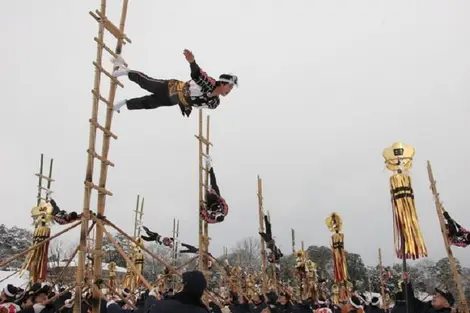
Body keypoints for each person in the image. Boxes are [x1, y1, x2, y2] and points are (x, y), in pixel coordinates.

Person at [112, 49, 238, 117]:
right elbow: (198, 75)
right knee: (146, 82)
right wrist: (192, 62)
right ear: (222, 83)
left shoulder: (215, 102)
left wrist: (186, 105)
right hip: (170, 88)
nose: (229, 91)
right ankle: (126, 71)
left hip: (173, 100)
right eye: (229, 87)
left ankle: (123, 103)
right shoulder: (209, 83)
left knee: (148, 103)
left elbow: (197, 104)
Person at [200, 156, 229, 224]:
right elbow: (223, 201)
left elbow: (206, 218)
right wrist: (216, 194)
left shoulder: (212, 219)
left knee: (206, 196)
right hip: (217, 199)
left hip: (210, 205)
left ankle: (208, 192)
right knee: (214, 184)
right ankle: (210, 167)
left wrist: (202, 211)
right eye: (218, 213)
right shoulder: (225, 210)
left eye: (216, 215)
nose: (217, 213)